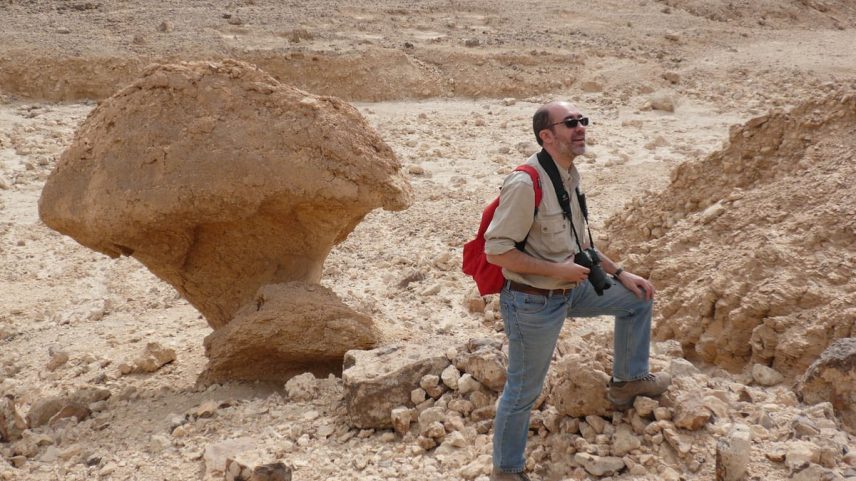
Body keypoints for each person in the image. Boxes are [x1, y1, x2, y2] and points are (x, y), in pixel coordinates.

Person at [484, 101, 671, 481]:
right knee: (523, 390)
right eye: (570, 123)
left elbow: (578, 241)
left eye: (582, 120)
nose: (581, 127)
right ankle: (506, 471)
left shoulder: (568, 174)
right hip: (532, 301)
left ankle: (627, 381)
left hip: (573, 288)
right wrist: (558, 269)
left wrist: (620, 273)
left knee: (638, 299)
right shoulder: (525, 183)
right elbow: (497, 251)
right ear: (547, 136)